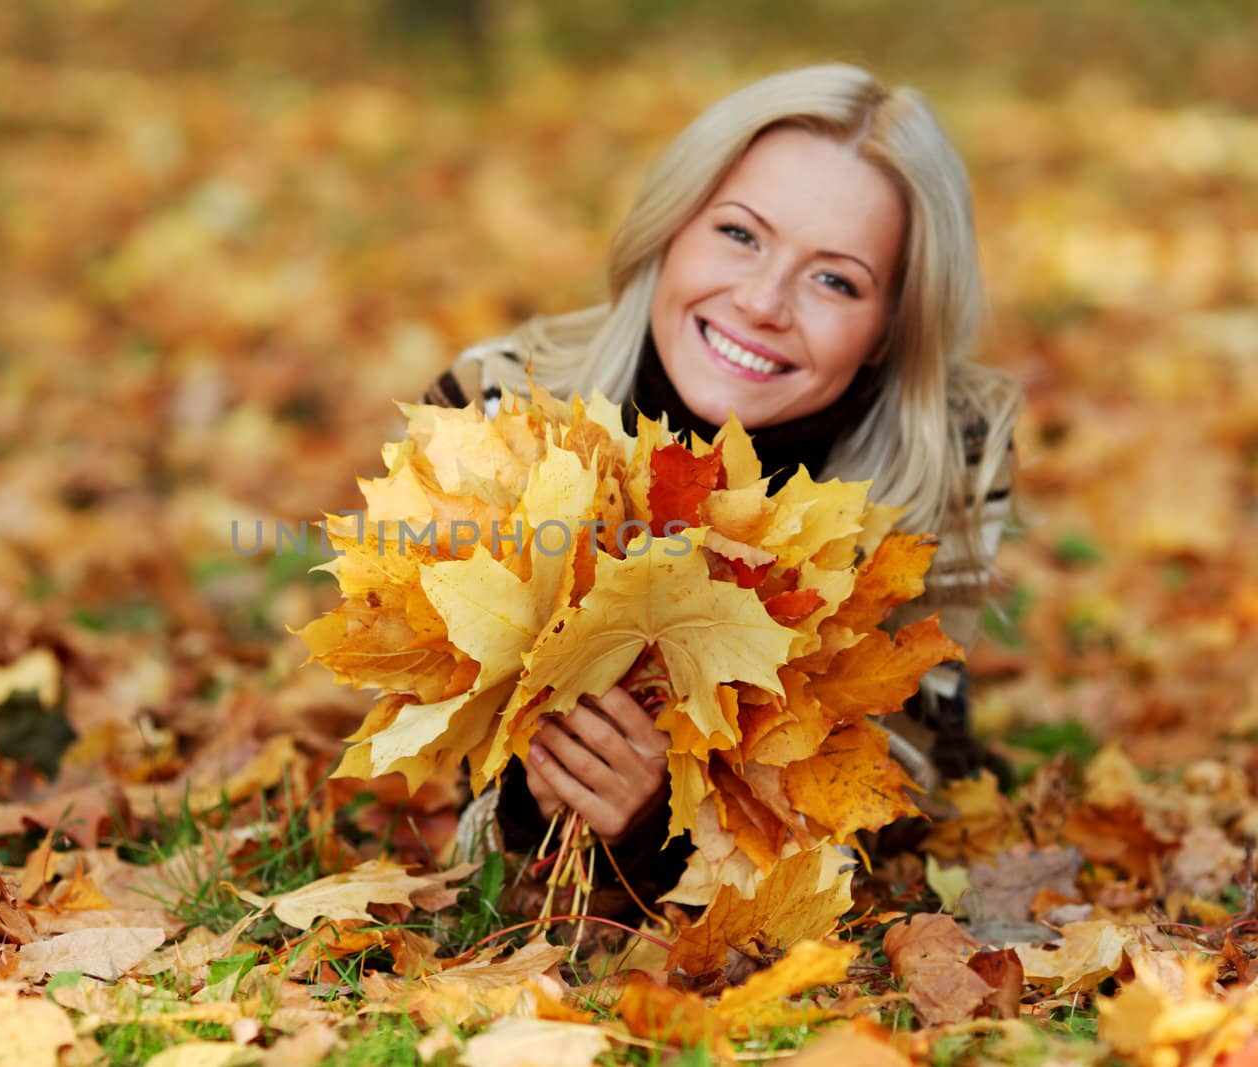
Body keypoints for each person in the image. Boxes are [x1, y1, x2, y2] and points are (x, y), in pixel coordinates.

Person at [420, 64, 1021, 916]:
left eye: (836, 279)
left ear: (892, 324)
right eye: (740, 234)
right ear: (673, 227)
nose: (763, 300)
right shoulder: (498, 405)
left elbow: (902, 765)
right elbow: (437, 771)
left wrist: (672, 824)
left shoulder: (948, 452)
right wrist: (533, 795)